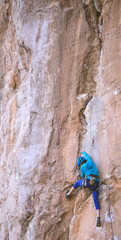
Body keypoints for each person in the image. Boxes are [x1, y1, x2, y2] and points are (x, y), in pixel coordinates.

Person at [65, 151, 101, 227]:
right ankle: (98, 217)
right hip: (96, 182)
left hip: (89, 182)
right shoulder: (90, 162)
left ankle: (68, 194)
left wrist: (83, 172)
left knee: (77, 183)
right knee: (96, 199)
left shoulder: (82, 167)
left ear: (80, 164)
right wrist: (83, 152)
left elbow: (82, 175)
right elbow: (87, 157)